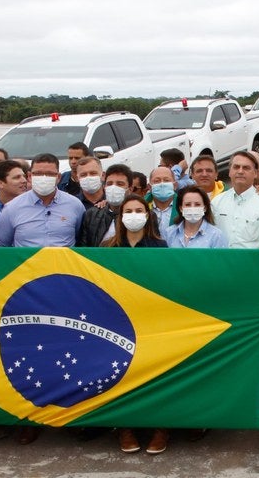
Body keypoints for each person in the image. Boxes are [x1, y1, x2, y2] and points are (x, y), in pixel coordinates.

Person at [100, 194, 169, 454]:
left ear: (148, 215)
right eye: (128, 211)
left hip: (151, 319)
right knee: (121, 372)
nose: (133, 215)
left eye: (139, 210)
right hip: (116, 320)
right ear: (120, 217)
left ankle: (161, 427)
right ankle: (125, 427)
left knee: (154, 373)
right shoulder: (107, 247)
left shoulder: (160, 247)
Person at [0, 153, 85, 248]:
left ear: (58, 177)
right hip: (27, 258)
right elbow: (1, 245)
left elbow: (81, 240)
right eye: (38, 174)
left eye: (49, 174)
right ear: (29, 176)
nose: (44, 178)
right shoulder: (12, 208)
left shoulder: (75, 205)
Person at [211, 151, 259, 249]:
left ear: (255, 173)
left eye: (246, 168)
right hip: (221, 259)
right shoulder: (217, 202)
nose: (240, 171)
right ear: (229, 171)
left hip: (252, 259)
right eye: (236, 167)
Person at [77, 164, 133, 247]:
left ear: (130, 189)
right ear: (104, 186)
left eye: (120, 184)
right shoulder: (91, 215)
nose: (113, 187)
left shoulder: (139, 215)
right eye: (109, 184)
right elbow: (84, 247)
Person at [146, 166, 178, 238]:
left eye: (166, 180)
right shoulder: (141, 208)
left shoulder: (183, 207)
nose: (162, 184)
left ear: (175, 185)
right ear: (149, 187)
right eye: (157, 181)